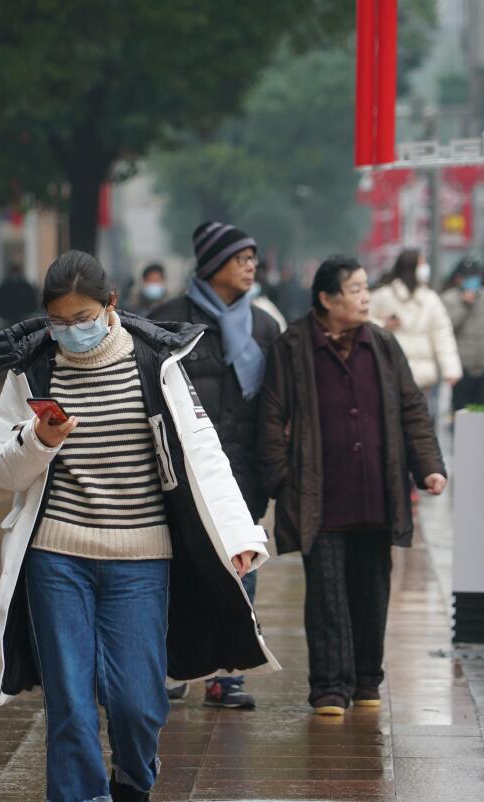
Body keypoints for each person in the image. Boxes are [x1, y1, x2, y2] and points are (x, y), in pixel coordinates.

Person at [0, 251, 277, 802]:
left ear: (111, 304)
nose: (71, 331)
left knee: (138, 703)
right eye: (59, 321)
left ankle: (134, 780)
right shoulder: (33, 368)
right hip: (56, 556)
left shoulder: (154, 362)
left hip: (141, 557)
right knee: (70, 702)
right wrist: (39, 440)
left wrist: (239, 537)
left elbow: (203, 452)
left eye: (83, 317)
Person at [258, 255, 446, 716]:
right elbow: (270, 417)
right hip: (320, 496)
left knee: (372, 592)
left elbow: (412, 410)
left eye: (366, 288)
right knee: (326, 595)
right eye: (357, 289)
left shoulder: (382, 344)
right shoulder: (294, 346)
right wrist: (283, 479)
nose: (366, 296)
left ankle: (366, 680)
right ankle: (329, 687)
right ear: (327, 298)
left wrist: (428, 467)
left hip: (376, 495)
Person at [150, 221, 281, 710]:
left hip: (243, 473)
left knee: (242, 567)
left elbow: (275, 405)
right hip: (186, 473)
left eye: (252, 258)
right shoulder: (166, 320)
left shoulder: (265, 325)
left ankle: (229, 673)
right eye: (240, 258)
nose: (251, 266)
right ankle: (174, 664)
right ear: (213, 264)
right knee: (179, 567)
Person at [370, 248, 461, 419]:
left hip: (422, 377)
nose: (425, 267)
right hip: (390, 373)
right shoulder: (383, 296)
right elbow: (363, 322)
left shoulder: (430, 299)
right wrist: (384, 324)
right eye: (421, 263)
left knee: (419, 421)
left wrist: (451, 368)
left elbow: (442, 334)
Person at [442, 259, 484, 411]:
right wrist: (464, 305)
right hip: (462, 367)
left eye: (475, 276)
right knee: (461, 412)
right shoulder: (449, 299)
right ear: (458, 279)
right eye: (466, 277)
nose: (472, 280)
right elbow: (447, 328)